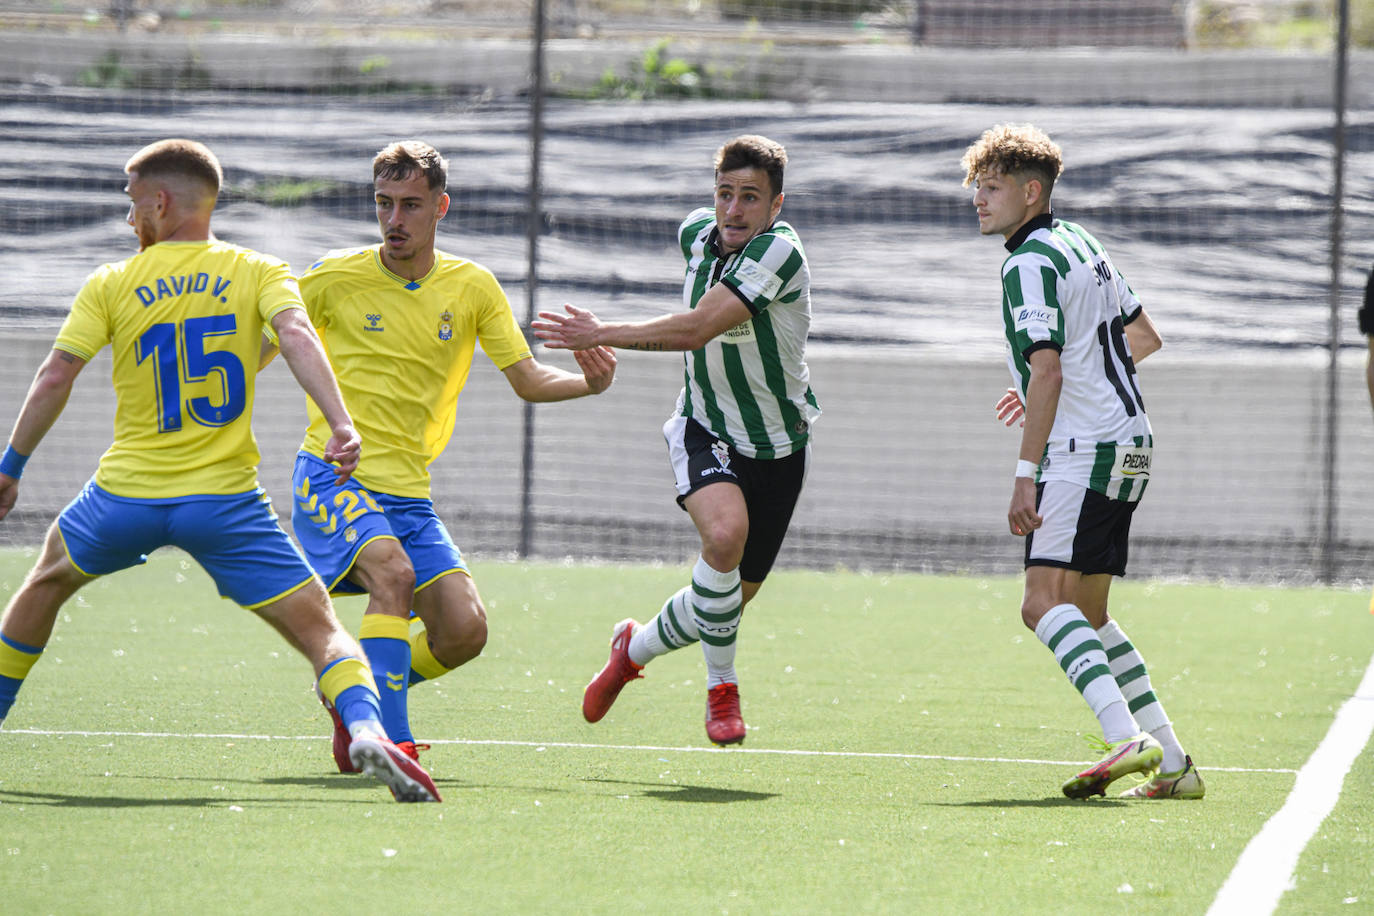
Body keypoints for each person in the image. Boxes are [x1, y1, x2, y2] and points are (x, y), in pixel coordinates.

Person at [0, 139, 439, 803]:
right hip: (226, 504)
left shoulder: (112, 282)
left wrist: (11, 467)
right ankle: (367, 730)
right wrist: (342, 423)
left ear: (161, 202)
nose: (128, 220)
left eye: (131, 204)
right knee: (321, 629)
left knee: (46, 581)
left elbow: (57, 372)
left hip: (125, 493)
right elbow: (297, 337)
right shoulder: (259, 270)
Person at [287, 140, 616, 771]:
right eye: (383, 203)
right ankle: (391, 741)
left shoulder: (472, 288)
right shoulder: (332, 276)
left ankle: (354, 695)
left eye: (410, 205)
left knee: (464, 632)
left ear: (442, 207)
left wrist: (588, 383)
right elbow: (270, 340)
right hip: (331, 477)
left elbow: (526, 378)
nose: (394, 220)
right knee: (393, 576)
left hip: (408, 494)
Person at [532, 134, 819, 746]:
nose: (734, 210)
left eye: (750, 197)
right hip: (704, 423)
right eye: (724, 194)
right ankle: (722, 688)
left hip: (779, 447)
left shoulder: (780, 254)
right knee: (723, 536)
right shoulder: (696, 234)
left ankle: (630, 648)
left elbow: (694, 330)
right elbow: (692, 326)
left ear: (776, 206)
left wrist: (599, 330)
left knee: (720, 605)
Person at [961, 123, 1204, 799]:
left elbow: (1048, 371)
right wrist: (1059, 382)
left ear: (1030, 192)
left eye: (993, 187)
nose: (979, 200)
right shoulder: (1084, 244)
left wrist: (1023, 472)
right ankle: (1176, 765)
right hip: (1130, 443)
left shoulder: (1028, 261)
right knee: (1089, 613)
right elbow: (1143, 338)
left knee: (1041, 604)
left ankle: (1126, 737)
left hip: (1083, 452)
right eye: (976, 187)